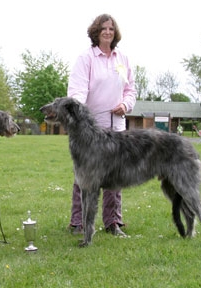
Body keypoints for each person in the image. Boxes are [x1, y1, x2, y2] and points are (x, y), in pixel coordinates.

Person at [67, 14, 137, 236]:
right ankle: (78, 222)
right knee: (85, 176)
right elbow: (77, 90)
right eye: (103, 28)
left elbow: (130, 90)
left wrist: (125, 105)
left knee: (115, 175)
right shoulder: (86, 58)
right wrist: (79, 111)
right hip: (89, 128)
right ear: (96, 32)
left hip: (116, 126)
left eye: (111, 28)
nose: (108, 31)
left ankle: (113, 222)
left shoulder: (122, 59)